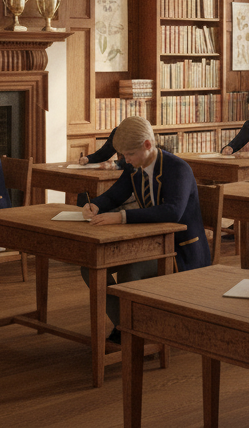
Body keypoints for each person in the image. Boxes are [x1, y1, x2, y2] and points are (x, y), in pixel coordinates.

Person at [81, 116, 209, 341]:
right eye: (123, 155)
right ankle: (129, 326)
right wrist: (95, 205)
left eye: (129, 154)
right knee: (89, 266)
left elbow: (172, 212)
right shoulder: (134, 167)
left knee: (130, 271)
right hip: (149, 244)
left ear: (147, 145)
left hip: (181, 251)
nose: (126, 160)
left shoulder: (177, 168)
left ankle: (135, 333)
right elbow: (115, 195)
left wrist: (121, 217)